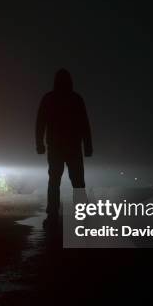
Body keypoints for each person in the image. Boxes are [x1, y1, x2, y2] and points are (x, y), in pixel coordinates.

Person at [36, 69, 92, 225]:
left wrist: (39, 144)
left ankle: (52, 212)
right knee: (78, 182)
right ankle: (81, 214)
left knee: (54, 181)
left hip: (55, 147)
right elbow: (84, 124)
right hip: (73, 147)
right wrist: (88, 146)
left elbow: (40, 124)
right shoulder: (76, 99)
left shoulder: (49, 99)